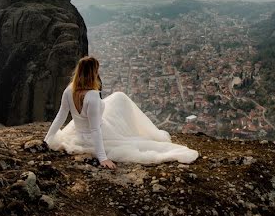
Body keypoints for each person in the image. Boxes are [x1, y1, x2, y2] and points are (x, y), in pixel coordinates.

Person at [44, 56, 199, 167]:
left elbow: (60, 116)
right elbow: (95, 129)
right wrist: (102, 157)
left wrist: (48, 139)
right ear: (92, 73)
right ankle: (139, 129)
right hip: (97, 133)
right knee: (121, 100)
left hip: (76, 131)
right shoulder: (92, 97)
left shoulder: (68, 90)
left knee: (118, 97)